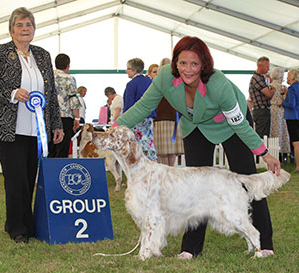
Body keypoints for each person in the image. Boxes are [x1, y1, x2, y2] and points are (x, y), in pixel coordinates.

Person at [114, 36, 281, 258]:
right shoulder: (164, 77)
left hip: (231, 126)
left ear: (204, 64)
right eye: (183, 63)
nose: (188, 69)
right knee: (193, 187)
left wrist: (264, 153)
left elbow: (240, 123)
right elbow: (143, 106)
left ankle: (264, 244)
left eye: (194, 64)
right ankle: (190, 249)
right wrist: (114, 127)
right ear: (175, 63)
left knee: (248, 177)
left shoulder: (219, 84)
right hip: (195, 127)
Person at [0, 7, 63, 243]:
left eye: (29, 25)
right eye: (20, 25)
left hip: (37, 129)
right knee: (15, 180)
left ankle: (26, 224)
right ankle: (17, 228)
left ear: (34, 30)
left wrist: (56, 124)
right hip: (9, 128)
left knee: (29, 177)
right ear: (11, 30)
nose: (25, 29)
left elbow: (51, 92)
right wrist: (13, 92)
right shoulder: (1, 53)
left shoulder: (43, 55)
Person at [123, 58, 157, 161]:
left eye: (128, 69)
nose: (126, 71)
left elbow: (129, 106)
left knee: (137, 147)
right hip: (149, 118)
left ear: (134, 70)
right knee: (149, 145)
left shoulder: (131, 84)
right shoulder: (151, 82)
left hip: (136, 120)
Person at [48, 53, 80, 158]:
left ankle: (48, 172)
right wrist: (77, 118)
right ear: (68, 65)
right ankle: (59, 172)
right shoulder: (69, 78)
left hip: (49, 117)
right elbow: (73, 100)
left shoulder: (48, 77)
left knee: (50, 148)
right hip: (65, 117)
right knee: (62, 148)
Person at [154, 57, 184, 166]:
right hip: (174, 119)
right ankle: (171, 172)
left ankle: (166, 176)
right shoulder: (178, 83)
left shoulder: (157, 83)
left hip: (160, 119)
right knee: (172, 152)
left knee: (162, 153)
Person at [249, 56, 276, 138]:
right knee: (262, 136)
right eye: (267, 66)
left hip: (261, 110)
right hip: (261, 111)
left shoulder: (261, 78)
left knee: (264, 135)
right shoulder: (257, 78)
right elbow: (268, 94)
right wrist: (273, 90)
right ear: (260, 66)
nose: (268, 69)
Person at [269, 67, 290, 163]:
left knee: (274, 132)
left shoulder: (270, 86)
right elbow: (287, 100)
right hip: (282, 111)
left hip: (272, 110)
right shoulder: (283, 87)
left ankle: (275, 153)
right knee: (283, 132)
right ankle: (284, 155)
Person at [282, 69, 299, 172]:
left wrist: (282, 103)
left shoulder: (292, 88)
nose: (287, 77)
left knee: (296, 143)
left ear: (292, 77)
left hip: (292, 117)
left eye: (288, 75)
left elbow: (291, 105)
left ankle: (298, 166)